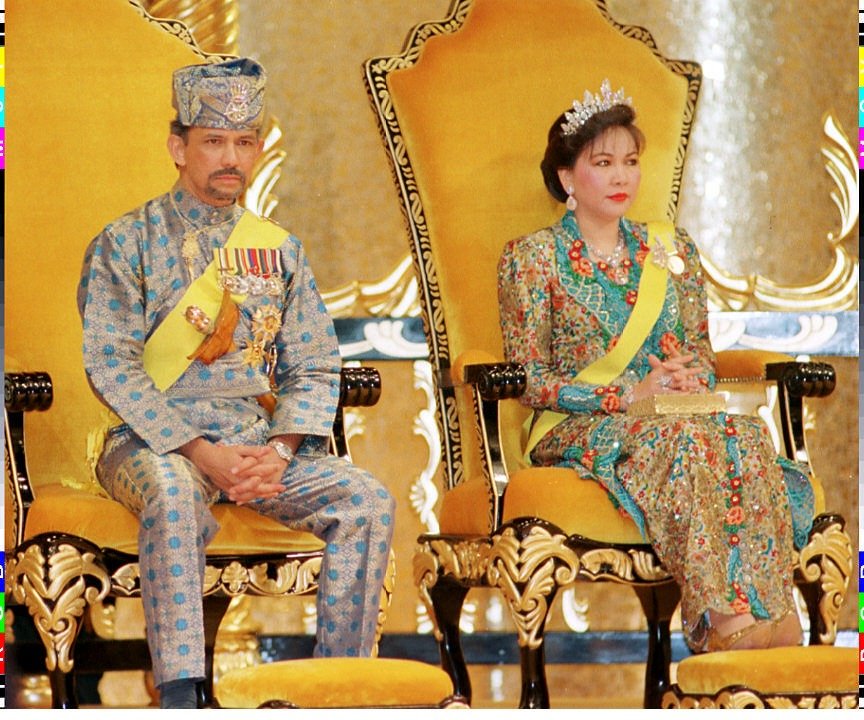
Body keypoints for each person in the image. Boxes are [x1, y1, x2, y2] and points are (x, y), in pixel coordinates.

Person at [77, 58, 395, 709]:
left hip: (258, 444)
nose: (231, 157)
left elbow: (314, 364)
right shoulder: (123, 243)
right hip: (152, 443)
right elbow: (112, 365)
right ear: (178, 147)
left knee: (366, 499)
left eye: (243, 142)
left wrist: (277, 453)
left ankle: (335, 690)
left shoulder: (281, 249)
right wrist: (202, 453)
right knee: (172, 492)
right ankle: (184, 691)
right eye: (214, 141)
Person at [497, 79, 814, 654]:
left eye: (631, 162)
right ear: (568, 177)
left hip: (670, 415)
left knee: (743, 432)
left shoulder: (670, 249)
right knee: (687, 444)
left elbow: (700, 351)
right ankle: (722, 620)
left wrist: (690, 376)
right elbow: (528, 380)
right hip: (576, 425)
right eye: (603, 162)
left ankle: (775, 614)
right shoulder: (532, 258)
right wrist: (627, 393)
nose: (621, 176)